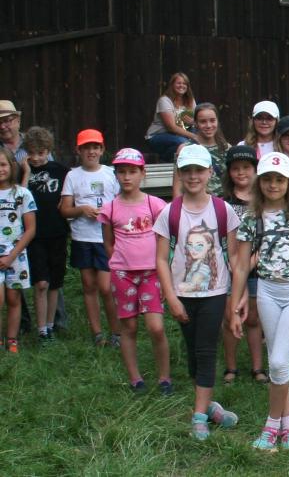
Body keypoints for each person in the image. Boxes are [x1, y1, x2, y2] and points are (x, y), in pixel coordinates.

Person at [230, 152, 289, 451]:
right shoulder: (251, 218)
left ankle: (271, 425)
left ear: (288, 182)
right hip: (268, 292)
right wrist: (235, 307)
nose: (273, 185)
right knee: (277, 363)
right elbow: (243, 266)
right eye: (268, 179)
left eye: (279, 179)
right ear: (260, 183)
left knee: (279, 361)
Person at [153, 144, 241, 440]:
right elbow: (161, 259)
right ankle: (210, 406)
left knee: (206, 350)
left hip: (215, 292)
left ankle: (199, 416)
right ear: (180, 173)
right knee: (193, 354)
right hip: (182, 294)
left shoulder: (221, 209)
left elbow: (235, 256)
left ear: (209, 173)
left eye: (199, 171)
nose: (193, 177)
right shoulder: (170, 212)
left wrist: (235, 297)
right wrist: (171, 296)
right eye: (187, 171)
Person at [98, 148, 171, 394]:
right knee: (128, 328)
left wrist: (164, 271)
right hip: (123, 274)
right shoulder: (110, 208)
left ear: (142, 174)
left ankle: (164, 377)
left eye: (132, 172)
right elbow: (108, 242)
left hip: (151, 273)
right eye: (121, 172)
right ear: (116, 175)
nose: (126, 177)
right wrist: (118, 263)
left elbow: (165, 239)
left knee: (156, 327)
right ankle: (135, 378)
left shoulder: (156, 204)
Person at [60, 129, 121, 347]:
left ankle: (117, 332)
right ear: (79, 150)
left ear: (102, 149)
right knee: (88, 285)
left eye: (95, 147)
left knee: (106, 287)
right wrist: (82, 209)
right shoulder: (73, 175)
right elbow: (65, 209)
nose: (91, 152)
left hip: (105, 237)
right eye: (86, 148)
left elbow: (121, 203)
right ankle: (97, 333)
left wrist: (108, 214)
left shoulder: (111, 173)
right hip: (82, 237)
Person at [220, 145, 267, 384]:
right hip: (229, 266)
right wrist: (236, 266)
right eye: (235, 168)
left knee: (253, 318)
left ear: (255, 170)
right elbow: (222, 239)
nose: (241, 173)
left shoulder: (264, 202)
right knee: (231, 316)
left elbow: (268, 237)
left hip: (257, 267)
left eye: (246, 168)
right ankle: (231, 367)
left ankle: (258, 368)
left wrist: (247, 266)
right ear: (228, 172)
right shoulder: (222, 202)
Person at [23, 127, 69, 341]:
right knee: (40, 282)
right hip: (34, 235)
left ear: (48, 151)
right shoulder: (21, 171)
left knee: (55, 282)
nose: (37, 158)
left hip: (58, 232)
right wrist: (25, 172)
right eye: (32, 152)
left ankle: (50, 326)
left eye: (41, 152)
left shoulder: (60, 170)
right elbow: (19, 197)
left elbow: (70, 196)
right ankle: (41, 329)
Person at [0, 147, 36, 353]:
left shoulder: (22, 194)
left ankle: (12, 339)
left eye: (3, 164)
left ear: (12, 166)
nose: (0, 169)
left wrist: (12, 255)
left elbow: (30, 229)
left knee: (14, 299)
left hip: (17, 255)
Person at [172, 103, 230, 197]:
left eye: (212, 120)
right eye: (203, 121)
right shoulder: (185, 149)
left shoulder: (226, 148)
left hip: (221, 203)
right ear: (195, 123)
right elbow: (177, 186)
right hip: (193, 201)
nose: (208, 125)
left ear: (217, 121)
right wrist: (176, 209)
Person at [144, 72, 198, 162]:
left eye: (184, 83)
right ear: (172, 85)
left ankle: (163, 158)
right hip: (158, 135)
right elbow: (171, 127)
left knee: (195, 141)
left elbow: (197, 121)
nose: (182, 86)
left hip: (182, 134)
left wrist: (192, 122)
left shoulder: (190, 100)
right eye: (179, 83)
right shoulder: (165, 100)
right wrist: (194, 137)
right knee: (185, 142)